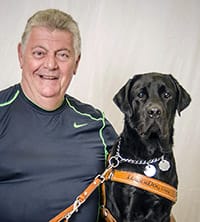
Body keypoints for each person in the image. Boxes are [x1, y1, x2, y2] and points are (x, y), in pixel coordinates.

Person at [0, 9, 117, 222]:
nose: (51, 64)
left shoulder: (97, 124)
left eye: (62, 55)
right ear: (21, 55)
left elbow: (132, 191)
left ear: (76, 63)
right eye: (39, 53)